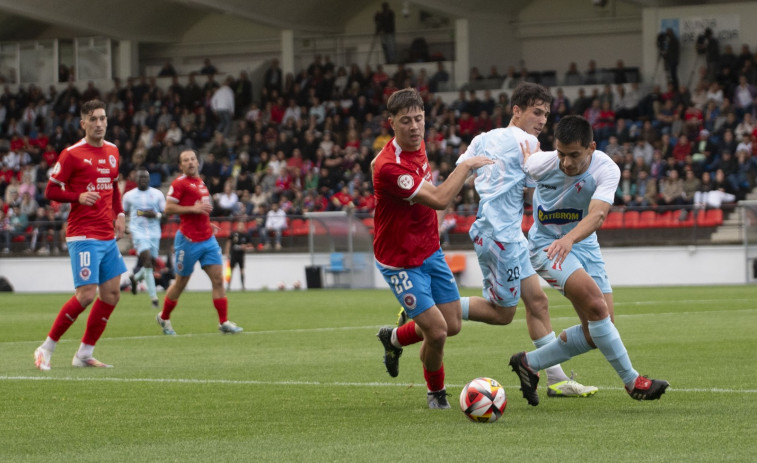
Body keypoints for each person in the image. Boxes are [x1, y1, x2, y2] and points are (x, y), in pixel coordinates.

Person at [452, 82, 597, 401]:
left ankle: (555, 379)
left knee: (537, 302)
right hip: (501, 236)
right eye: (536, 112)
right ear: (516, 111)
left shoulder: (482, 138)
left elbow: (461, 170)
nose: (543, 119)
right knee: (503, 313)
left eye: (546, 113)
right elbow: (547, 174)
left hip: (495, 231)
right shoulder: (526, 142)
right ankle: (434, 308)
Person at [509, 115, 669, 404]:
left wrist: (571, 238)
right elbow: (514, 172)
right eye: (561, 153)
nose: (566, 162)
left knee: (597, 330)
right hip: (547, 246)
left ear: (591, 148)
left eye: (574, 155)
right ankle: (633, 382)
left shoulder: (605, 168)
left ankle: (528, 363)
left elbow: (598, 215)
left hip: (582, 244)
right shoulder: (539, 164)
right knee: (596, 307)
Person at [373, 88, 493, 409]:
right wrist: (466, 166)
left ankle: (394, 338)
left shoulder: (419, 145)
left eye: (419, 119)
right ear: (392, 123)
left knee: (451, 325)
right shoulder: (388, 168)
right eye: (406, 121)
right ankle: (436, 394)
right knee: (437, 332)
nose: (414, 127)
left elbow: (431, 201)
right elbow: (439, 198)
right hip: (400, 262)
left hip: (429, 250)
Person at [33, 99, 127, 370]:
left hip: (106, 235)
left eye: (103, 118)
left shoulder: (113, 151)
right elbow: (51, 191)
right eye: (93, 119)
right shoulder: (72, 154)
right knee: (86, 294)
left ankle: (84, 354)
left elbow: (114, 186)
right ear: (83, 123)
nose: (99, 124)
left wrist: (118, 214)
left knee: (111, 294)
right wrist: (78, 196)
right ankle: (45, 348)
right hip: (83, 234)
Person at [155, 149, 243, 336]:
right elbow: (168, 208)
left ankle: (223, 322)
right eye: (186, 160)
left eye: (193, 159)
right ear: (181, 165)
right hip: (188, 241)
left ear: (198, 161)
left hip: (207, 240)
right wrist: (193, 210)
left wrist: (206, 222)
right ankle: (164, 317)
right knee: (180, 283)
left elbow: (199, 210)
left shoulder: (201, 183)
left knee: (218, 280)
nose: (190, 162)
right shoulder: (179, 183)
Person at [123, 168, 166, 308]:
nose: (143, 180)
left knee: (151, 264)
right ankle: (154, 299)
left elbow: (165, 213)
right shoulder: (129, 195)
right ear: (136, 180)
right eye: (140, 178)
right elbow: (122, 212)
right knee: (147, 261)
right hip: (138, 232)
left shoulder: (157, 194)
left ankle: (134, 279)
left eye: (146, 178)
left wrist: (156, 215)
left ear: (149, 179)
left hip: (154, 233)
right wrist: (125, 227)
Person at [224, 219, 253, 291]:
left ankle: (243, 286)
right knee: (231, 270)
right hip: (233, 255)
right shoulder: (233, 234)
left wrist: (245, 246)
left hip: (241, 255)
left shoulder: (246, 235)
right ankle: (228, 286)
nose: (241, 227)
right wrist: (227, 253)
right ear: (237, 226)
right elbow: (228, 242)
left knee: (242, 270)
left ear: (244, 227)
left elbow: (250, 245)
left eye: (242, 226)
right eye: (239, 225)